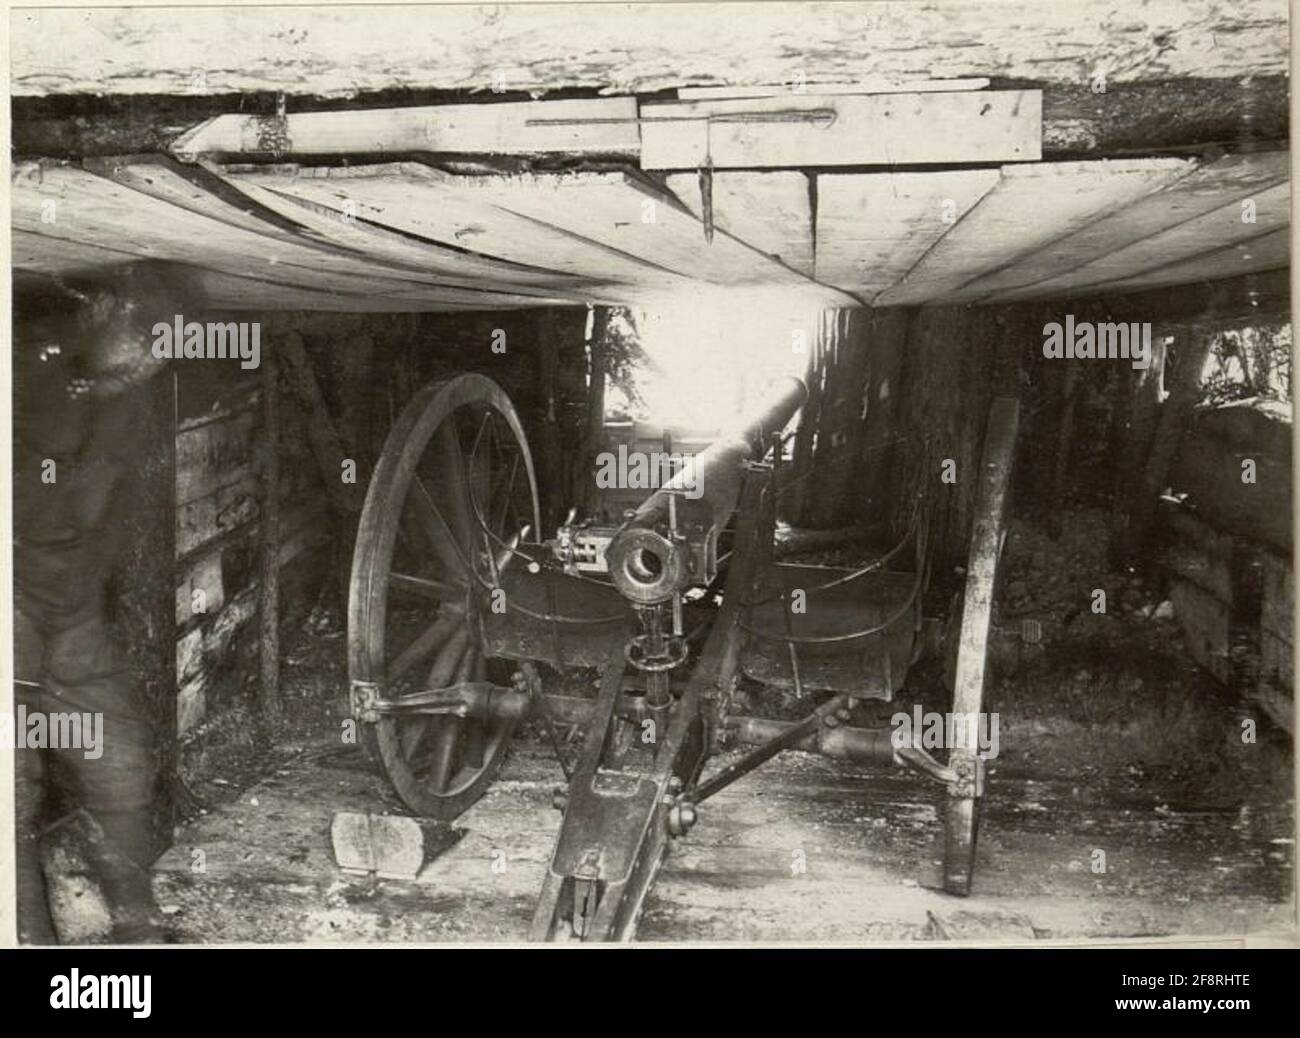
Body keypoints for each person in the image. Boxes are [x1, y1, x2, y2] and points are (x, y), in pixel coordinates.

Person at [13, 261, 188, 942]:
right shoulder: (27, 365)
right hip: (11, 601)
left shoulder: (127, 394)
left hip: (70, 608)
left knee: (118, 759)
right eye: (143, 339)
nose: (151, 362)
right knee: (11, 787)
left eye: (163, 350)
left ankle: (137, 921)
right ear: (100, 312)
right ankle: (28, 939)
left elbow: (103, 510)